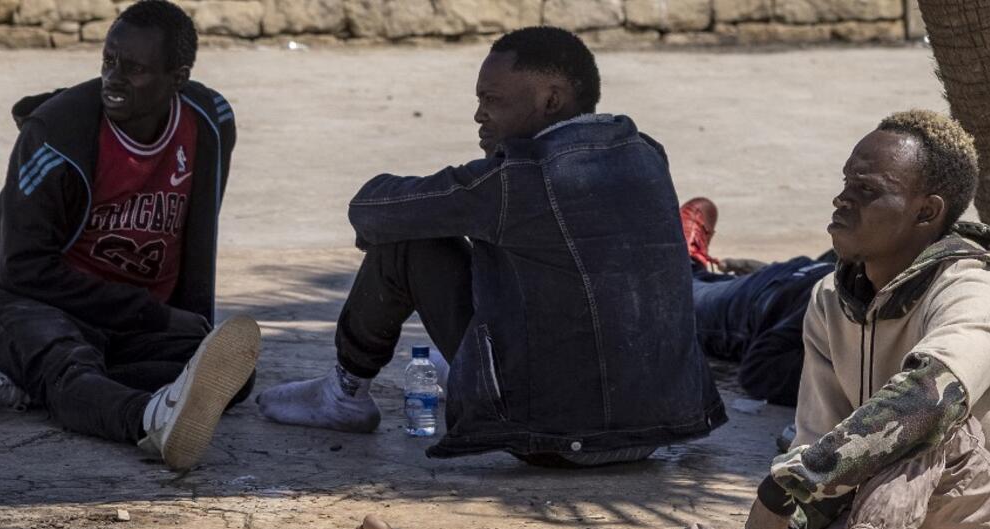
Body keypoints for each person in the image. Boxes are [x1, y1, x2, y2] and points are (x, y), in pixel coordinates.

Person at [346, 110, 990, 529]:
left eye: (868, 191)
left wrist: (787, 488)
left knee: (922, 423)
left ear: (927, 213)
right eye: (843, 182)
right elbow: (825, 447)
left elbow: (928, 403)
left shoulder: (970, 289)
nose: (841, 200)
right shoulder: (829, 298)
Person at [258, 27, 725, 467]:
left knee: (406, 242)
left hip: (554, 439)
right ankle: (446, 370)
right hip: (654, 433)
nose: (480, 115)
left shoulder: (515, 180)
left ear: (551, 100)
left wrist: (392, 230)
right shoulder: (646, 151)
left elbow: (370, 210)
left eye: (491, 100)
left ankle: (344, 393)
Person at [0, 0, 260, 471]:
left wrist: (182, 322)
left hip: (117, 320)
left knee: (231, 377)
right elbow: (22, 269)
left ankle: (18, 380)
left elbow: (197, 234)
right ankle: (148, 419)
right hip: (14, 300)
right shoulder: (55, 134)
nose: (114, 78)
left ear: (178, 78)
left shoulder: (209, 121)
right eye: (109, 61)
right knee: (67, 360)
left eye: (135, 69)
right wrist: (151, 314)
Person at [681, 197, 835, 406]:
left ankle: (685, 264)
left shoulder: (835, 307)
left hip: (756, 304)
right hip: (794, 275)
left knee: (675, 298)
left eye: (867, 189)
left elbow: (760, 370)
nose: (841, 201)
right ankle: (690, 266)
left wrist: (839, 383)